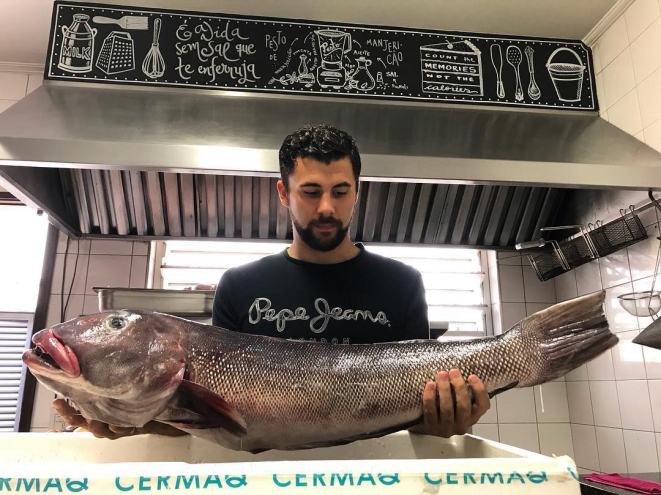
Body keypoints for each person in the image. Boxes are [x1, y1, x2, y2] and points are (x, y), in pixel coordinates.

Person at [54, 124, 490, 440]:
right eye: (310, 191)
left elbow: (416, 410)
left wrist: (445, 418)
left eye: (340, 192)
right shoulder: (241, 286)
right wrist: (139, 420)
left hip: (375, 477)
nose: (326, 207)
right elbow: (213, 423)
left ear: (357, 192)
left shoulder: (402, 284)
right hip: (269, 481)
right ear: (284, 193)